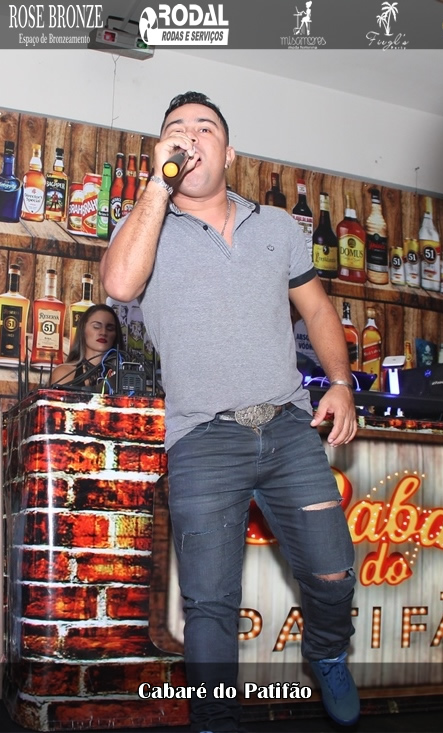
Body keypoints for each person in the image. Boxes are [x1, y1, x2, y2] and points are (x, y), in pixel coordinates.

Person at [100, 92, 360, 731]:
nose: (189, 136)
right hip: (203, 437)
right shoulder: (145, 224)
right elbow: (120, 285)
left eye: (204, 128)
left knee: (333, 573)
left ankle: (327, 652)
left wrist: (341, 383)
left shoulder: (277, 227)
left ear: (230, 152)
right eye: (176, 129)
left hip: (290, 427)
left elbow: (318, 309)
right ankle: (216, 722)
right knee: (211, 603)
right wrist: (157, 186)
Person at [50, 304, 124, 389]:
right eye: (96, 327)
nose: (103, 332)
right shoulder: (63, 373)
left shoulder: (123, 377)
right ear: (83, 330)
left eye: (110, 328)